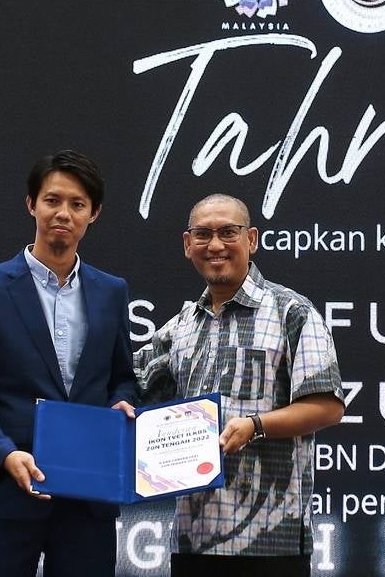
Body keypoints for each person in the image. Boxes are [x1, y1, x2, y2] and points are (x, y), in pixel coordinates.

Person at [0, 149, 137, 577]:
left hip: (89, 500)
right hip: (5, 493)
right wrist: (4, 453)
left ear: (95, 214)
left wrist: (121, 404)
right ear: (31, 204)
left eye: (77, 204)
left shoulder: (111, 291)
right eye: (52, 200)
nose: (63, 213)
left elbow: (122, 379)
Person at [134, 193, 345, 577]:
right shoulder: (183, 326)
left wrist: (255, 426)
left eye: (228, 233)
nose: (215, 245)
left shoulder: (292, 312)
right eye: (203, 234)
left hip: (271, 543)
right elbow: (131, 388)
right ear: (188, 245)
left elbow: (328, 407)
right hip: (193, 537)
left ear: (251, 240)